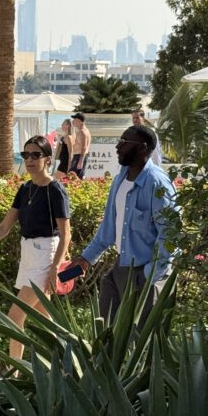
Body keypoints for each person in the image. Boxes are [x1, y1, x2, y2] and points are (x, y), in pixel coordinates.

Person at [0, 135, 71, 362]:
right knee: (45, 320)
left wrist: (55, 267)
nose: (29, 160)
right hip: (28, 255)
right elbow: (4, 227)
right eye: (25, 155)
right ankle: (62, 367)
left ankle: (15, 370)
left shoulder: (55, 190)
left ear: (47, 159)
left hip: (46, 257)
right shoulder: (25, 189)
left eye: (35, 155)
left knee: (15, 315)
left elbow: (65, 234)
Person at [75, 125, 177, 323]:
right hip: (120, 268)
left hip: (146, 274)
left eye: (124, 142)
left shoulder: (157, 183)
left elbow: (171, 233)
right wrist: (86, 258)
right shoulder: (120, 179)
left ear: (142, 148)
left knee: (140, 339)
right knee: (106, 330)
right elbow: (108, 228)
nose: (118, 147)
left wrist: (150, 274)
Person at [69, 112, 91, 179]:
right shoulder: (83, 130)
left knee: (73, 177)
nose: (73, 121)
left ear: (79, 121)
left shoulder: (82, 131)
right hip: (79, 156)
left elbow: (84, 147)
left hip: (79, 156)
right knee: (74, 177)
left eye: (74, 119)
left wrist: (81, 161)